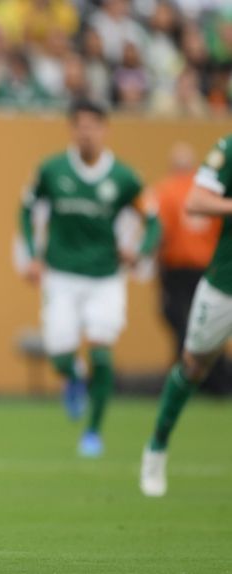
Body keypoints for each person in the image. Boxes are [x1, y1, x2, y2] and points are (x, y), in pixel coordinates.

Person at [19, 99, 161, 457]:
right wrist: (33, 256)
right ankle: (74, 376)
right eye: (79, 124)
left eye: (93, 125)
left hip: (104, 277)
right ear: (72, 128)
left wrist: (140, 249)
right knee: (59, 357)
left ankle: (94, 432)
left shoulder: (124, 178)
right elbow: (26, 207)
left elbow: (154, 220)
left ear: (104, 128)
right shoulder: (52, 170)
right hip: (61, 276)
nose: (86, 131)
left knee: (102, 352)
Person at [140, 134, 232, 497]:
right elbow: (196, 201)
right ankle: (157, 445)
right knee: (194, 364)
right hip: (222, 279)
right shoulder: (227, 149)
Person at [151, 142, 226, 391]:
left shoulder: (165, 190)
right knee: (206, 326)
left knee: (182, 323)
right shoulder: (210, 191)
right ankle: (209, 378)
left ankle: (190, 376)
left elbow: (159, 231)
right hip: (209, 268)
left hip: (176, 268)